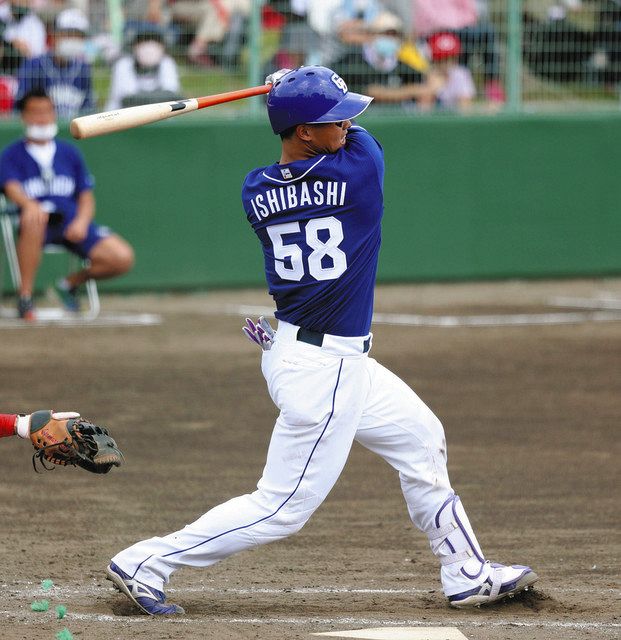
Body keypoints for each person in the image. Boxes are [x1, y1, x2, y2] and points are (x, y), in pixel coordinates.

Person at [106, 65, 538, 615]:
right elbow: (362, 141)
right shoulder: (360, 174)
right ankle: (148, 561)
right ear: (304, 132)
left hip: (311, 353)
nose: (346, 124)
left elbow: (320, 148)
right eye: (331, 119)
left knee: (420, 437)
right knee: (283, 506)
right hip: (323, 370)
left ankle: (465, 571)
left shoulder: (255, 190)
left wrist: (291, 96)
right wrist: (291, 86)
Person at [0, 88, 134, 320]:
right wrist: (29, 204)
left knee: (122, 258)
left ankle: (69, 284)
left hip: (71, 221)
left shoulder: (68, 152)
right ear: (24, 116)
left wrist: (82, 222)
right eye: (35, 112)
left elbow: (85, 195)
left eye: (47, 111)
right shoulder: (12, 154)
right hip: (36, 224)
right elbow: (11, 187)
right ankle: (25, 297)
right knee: (34, 217)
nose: (42, 118)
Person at [334, 12, 440, 108]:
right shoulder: (353, 59)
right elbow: (372, 92)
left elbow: (426, 82)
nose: (390, 39)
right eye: (385, 34)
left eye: (394, 35)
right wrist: (413, 90)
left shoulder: (398, 62)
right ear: (371, 35)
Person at [15, 7, 94, 120]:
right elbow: (20, 108)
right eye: (68, 34)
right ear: (55, 36)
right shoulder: (34, 64)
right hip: (40, 129)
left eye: (78, 36)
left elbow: (88, 108)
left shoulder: (83, 68)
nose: (73, 40)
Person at [105, 22, 182, 111]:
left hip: (159, 118)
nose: (149, 46)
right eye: (143, 41)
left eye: (154, 41)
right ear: (134, 45)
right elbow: (129, 100)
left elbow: (172, 95)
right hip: (122, 118)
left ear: (162, 46)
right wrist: (161, 99)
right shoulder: (123, 64)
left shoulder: (167, 62)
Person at [427, 31, 475, 111]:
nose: (446, 63)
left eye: (450, 58)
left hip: (456, 119)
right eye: (441, 59)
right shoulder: (431, 73)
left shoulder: (461, 74)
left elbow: (465, 105)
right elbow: (425, 106)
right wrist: (432, 91)